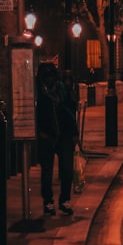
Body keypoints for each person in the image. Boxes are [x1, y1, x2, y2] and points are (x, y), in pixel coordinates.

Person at [35, 62, 79, 216]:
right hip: (46, 135)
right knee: (46, 171)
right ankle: (48, 202)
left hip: (64, 134)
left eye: (51, 76)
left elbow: (71, 112)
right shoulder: (38, 92)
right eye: (46, 77)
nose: (49, 80)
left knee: (67, 169)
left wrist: (74, 133)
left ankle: (64, 200)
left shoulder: (63, 90)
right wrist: (40, 131)